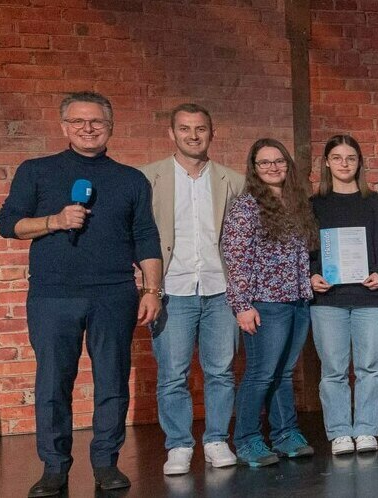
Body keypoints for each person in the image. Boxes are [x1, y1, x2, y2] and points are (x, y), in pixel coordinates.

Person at [0, 91, 161, 495]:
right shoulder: (36, 170)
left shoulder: (131, 179)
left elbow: (146, 237)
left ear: (110, 127)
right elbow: (7, 223)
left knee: (112, 381)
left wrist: (152, 289)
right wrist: (54, 220)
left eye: (96, 122)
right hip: (53, 296)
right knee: (53, 383)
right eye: (78, 122)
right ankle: (54, 467)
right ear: (63, 126)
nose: (87, 129)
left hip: (114, 295)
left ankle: (107, 464)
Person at [140, 103, 244, 474]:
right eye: (184, 129)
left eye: (200, 128)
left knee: (220, 371)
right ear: (172, 134)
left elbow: (243, 240)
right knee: (173, 374)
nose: (193, 135)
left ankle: (217, 440)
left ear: (212, 133)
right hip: (172, 289)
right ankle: (179, 445)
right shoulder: (148, 177)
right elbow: (137, 235)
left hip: (220, 289)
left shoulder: (232, 180)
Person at [307, 134, 378, 456]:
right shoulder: (314, 206)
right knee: (333, 369)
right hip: (328, 301)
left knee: (369, 367)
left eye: (350, 158)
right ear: (327, 163)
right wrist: (311, 276)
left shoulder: (377, 204)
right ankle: (339, 432)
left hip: (371, 300)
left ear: (359, 162)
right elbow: (301, 252)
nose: (344, 164)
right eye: (337, 158)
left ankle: (366, 429)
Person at [223, 138, 319, 466]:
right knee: (261, 373)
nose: (273, 167)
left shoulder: (295, 203)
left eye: (278, 161)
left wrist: (308, 280)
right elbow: (235, 258)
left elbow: (297, 254)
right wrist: (242, 305)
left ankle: (285, 434)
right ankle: (248, 439)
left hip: (297, 301)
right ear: (254, 168)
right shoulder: (246, 206)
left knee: (285, 372)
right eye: (264, 163)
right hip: (265, 303)